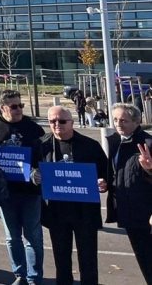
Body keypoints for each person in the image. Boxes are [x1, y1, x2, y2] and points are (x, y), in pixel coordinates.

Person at [38, 106, 108, 285]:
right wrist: (33, 175)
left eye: (62, 121)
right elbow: (31, 168)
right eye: (52, 121)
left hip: (84, 212)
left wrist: (103, 183)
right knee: (61, 259)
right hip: (56, 212)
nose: (56, 125)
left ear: (72, 122)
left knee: (88, 259)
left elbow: (106, 173)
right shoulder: (42, 144)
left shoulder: (90, 145)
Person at [0, 90, 45, 285]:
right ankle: (20, 274)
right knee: (12, 237)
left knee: (33, 236)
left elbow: (44, 157)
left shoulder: (33, 128)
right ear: (2, 108)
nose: (19, 110)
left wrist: (38, 172)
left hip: (30, 192)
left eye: (21, 105)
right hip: (4, 193)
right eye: (14, 106)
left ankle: (34, 277)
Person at [106, 102, 152, 283]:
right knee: (144, 259)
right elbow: (116, 173)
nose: (118, 124)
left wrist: (150, 169)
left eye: (124, 120)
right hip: (127, 211)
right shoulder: (115, 141)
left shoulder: (148, 143)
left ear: (137, 121)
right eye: (116, 119)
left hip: (146, 213)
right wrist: (105, 183)